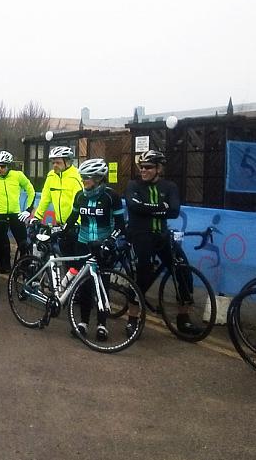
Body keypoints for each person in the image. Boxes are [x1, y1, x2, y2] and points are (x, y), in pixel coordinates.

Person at [124, 149, 199, 335]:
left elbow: (173, 211)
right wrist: (159, 208)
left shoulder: (169, 187)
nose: (143, 170)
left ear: (159, 169)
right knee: (143, 274)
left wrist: (148, 209)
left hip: (162, 236)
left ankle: (184, 318)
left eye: (148, 167)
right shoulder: (133, 185)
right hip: (140, 235)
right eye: (141, 167)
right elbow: (134, 207)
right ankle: (133, 318)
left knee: (182, 270)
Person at [64, 158, 125, 341]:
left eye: (87, 178)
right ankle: (82, 323)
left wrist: (110, 240)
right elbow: (72, 218)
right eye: (82, 178)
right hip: (83, 244)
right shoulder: (80, 196)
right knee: (84, 285)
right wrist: (60, 230)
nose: (83, 181)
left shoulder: (111, 197)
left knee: (102, 286)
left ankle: (102, 325)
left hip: (102, 247)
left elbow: (121, 225)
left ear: (98, 178)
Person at [33, 146, 83, 255]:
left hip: (75, 226)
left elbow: (80, 203)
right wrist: (37, 217)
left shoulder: (76, 177)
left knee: (74, 260)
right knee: (62, 257)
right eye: (53, 162)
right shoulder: (51, 176)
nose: (55, 165)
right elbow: (45, 199)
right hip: (60, 224)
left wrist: (76, 223)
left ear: (68, 162)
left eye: (58, 162)